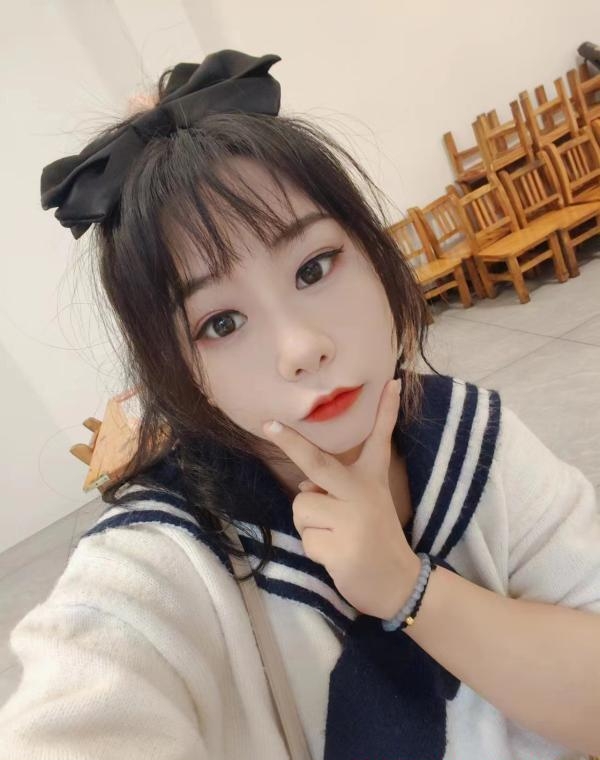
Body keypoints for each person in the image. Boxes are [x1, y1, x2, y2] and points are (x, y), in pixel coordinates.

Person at [1, 49, 599, 760]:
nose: (301, 347)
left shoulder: (473, 438)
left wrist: (405, 587)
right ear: (179, 372)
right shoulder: (164, 562)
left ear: (373, 252)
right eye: (221, 322)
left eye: (314, 267)